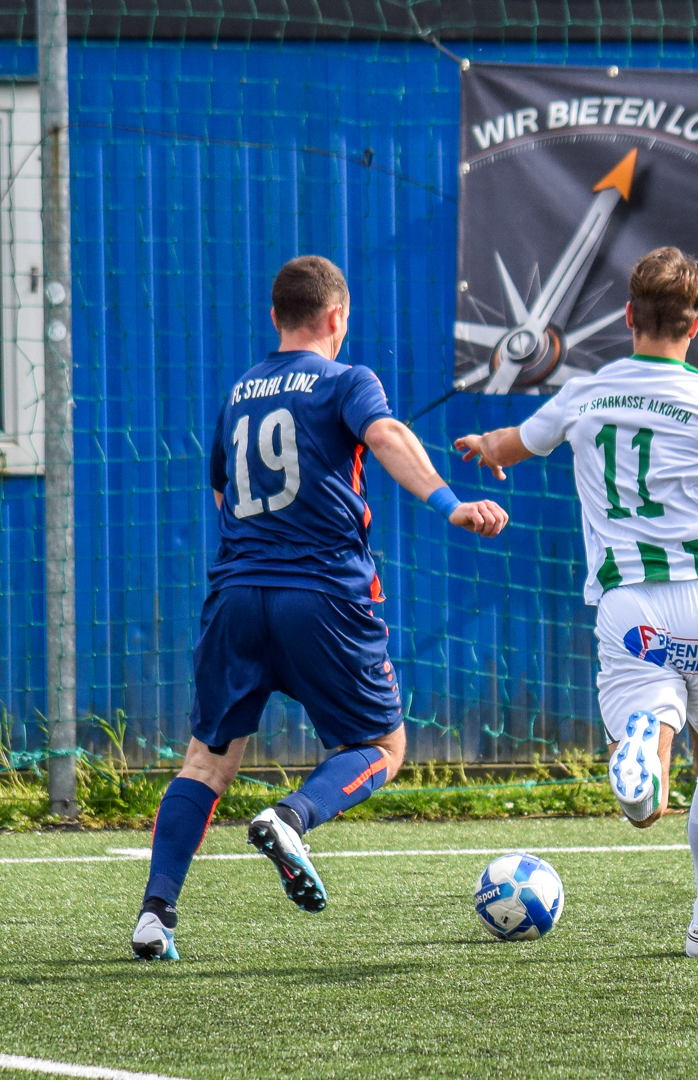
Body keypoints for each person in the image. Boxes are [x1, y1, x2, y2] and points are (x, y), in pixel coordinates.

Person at [132, 255, 508, 961]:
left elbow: (222, 494)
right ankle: (293, 817)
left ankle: (155, 916)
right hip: (323, 597)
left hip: (236, 597)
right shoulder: (348, 380)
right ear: (337, 317)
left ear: (276, 316)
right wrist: (451, 504)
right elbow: (387, 435)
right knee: (384, 747)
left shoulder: (240, 392)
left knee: (205, 764)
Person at [454, 246, 698, 958]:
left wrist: (485, 444)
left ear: (629, 316)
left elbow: (514, 446)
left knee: (646, 806)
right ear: (695, 324)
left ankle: (644, 738)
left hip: (630, 607)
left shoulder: (587, 392)